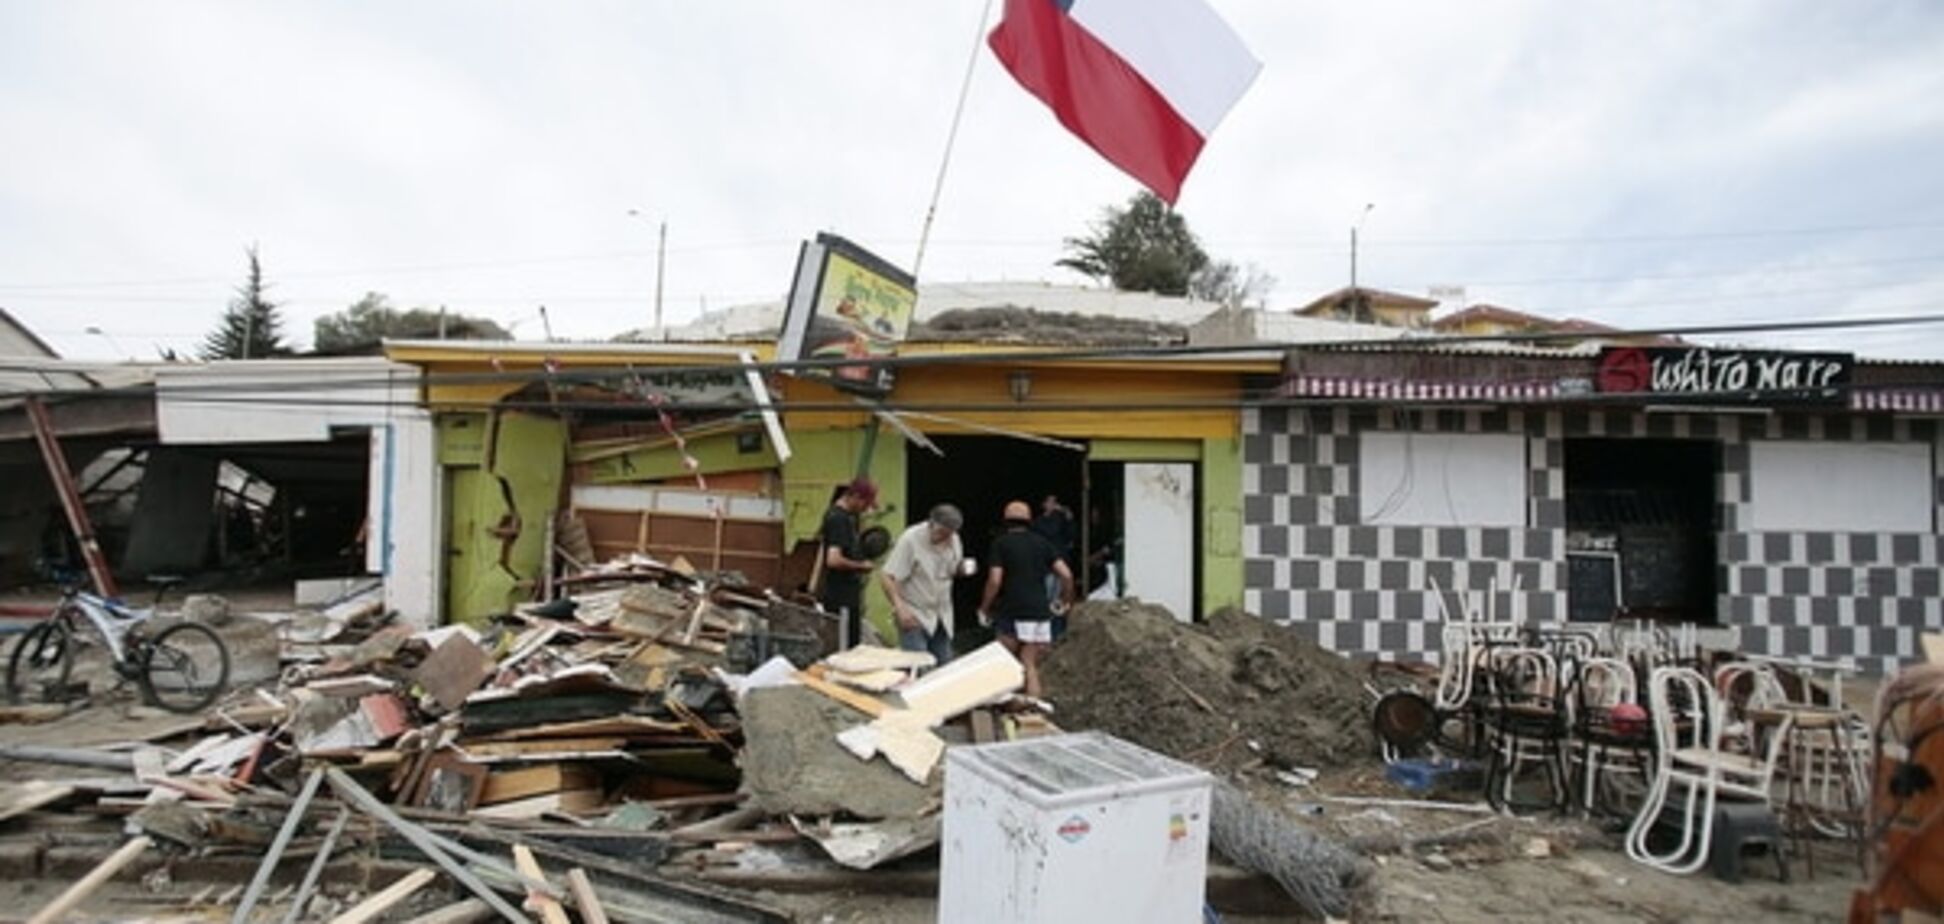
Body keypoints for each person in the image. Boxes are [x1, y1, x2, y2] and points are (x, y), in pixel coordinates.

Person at [980, 500, 1074, 699]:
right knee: (1029, 664)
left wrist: (985, 608)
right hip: (1040, 614)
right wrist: (1064, 601)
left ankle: (1004, 706)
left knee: (1004, 662)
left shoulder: (1001, 544)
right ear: (1029, 520)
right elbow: (1066, 575)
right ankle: (1033, 707)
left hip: (1013, 612)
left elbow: (995, 580)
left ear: (1006, 521)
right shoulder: (1043, 543)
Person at [880, 503, 965, 665]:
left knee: (944, 665)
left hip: (941, 615)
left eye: (949, 534)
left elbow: (951, 569)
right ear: (931, 524)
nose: (945, 538)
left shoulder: (954, 540)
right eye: (941, 533)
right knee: (918, 666)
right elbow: (887, 576)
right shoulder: (911, 539)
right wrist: (900, 608)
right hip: (914, 613)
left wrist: (960, 569)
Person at [819, 477, 878, 646]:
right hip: (840, 597)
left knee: (852, 642)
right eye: (865, 504)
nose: (865, 509)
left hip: (848, 594)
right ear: (856, 497)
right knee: (844, 646)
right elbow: (833, 560)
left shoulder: (848, 518)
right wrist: (861, 566)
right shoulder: (838, 519)